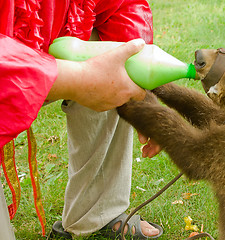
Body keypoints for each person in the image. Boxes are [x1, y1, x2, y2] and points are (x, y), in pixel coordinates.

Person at [0, 0, 162, 239]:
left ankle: (96, 212)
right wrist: (80, 79)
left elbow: (121, 6)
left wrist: (138, 85)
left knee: (116, 54)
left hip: (50, 43)